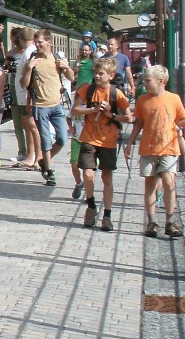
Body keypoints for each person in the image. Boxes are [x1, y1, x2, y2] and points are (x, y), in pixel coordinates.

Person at [69, 58, 131, 231]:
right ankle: (91, 206)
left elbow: (129, 118)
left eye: (101, 73)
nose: (97, 76)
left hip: (108, 140)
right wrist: (92, 109)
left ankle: (108, 215)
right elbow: (74, 110)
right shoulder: (87, 90)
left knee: (107, 178)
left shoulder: (116, 94)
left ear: (110, 76)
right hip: (89, 137)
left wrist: (111, 115)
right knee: (88, 174)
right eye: (96, 73)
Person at [124, 64, 185, 238]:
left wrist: (176, 127)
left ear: (161, 81)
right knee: (150, 185)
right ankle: (152, 222)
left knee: (168, 181)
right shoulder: (143, 100)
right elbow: (139, 123)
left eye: (148, 81)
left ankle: (170, 221)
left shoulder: (173, 99)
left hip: (168, 147)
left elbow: (182, 119)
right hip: (148, 148)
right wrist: (129, 143)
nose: (145, 84)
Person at [20, 29, 73, 187]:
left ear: (49, 43)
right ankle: (49, 173)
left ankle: (43, 160)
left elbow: (71, 77)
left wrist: (66, 67)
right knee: (46, 141)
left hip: (57, 105)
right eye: (36, 43)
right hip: (40, 106)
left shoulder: (57, 59)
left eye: (40, 43)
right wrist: (29, 68)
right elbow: (23, 84)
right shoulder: (33, 59)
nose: (37, 45)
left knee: (62, 139)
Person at [8, 27, 39, 169]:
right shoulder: (30, 52)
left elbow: (31, 75)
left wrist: (29, 97)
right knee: (28, 127)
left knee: (31, 127)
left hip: (26, 96)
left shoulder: (29, 53)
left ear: (21, 39)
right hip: (24, 95)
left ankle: (35, 158)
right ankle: (31, 156)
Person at [69, 42, 96, 200]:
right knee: (74, 164)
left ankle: (88, 192)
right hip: (79, 92)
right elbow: (73, 74)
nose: (85, 52)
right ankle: (79, 183)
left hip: (89, 137)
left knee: (89, 167)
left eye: (87, 50)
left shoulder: (93, 64)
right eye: (83, 50)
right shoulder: (78, 62)